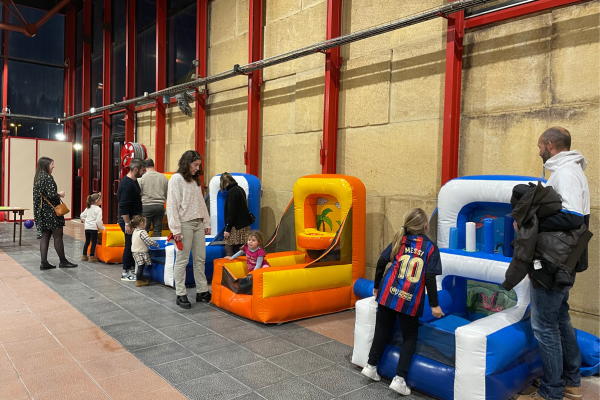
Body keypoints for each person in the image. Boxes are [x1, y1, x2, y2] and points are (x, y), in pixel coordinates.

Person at [515, 127, 590, 400]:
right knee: (560, 320)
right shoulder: (568, 170)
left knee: (544, 326)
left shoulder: (566, 173)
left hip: (553, 261)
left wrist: (528, 222)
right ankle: (571, 382)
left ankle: (550, 392)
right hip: (564, 261)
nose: (538, 151)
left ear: (550, 145)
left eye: (539, 146)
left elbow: (573, 218)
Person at [361, 208, 444, 396]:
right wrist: (434, 305)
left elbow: (382, 262)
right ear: (425, 225)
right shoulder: (430, 247)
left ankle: (370, 365)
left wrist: (376, 286)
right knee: (410, 337)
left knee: (382, 330)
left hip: (388, 293)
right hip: (409, 298)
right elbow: (430, 279)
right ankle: (399, 379)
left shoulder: (401, 239)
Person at [166, 150, 211, 309]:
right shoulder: (176, 179)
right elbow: (172, 205)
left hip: (198, 223)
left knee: (200, 258)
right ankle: (181, 293)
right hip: (184, 224)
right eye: (195, 165)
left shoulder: (195, 180)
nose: (198, 168)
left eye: (199, 165)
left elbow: (200, 203)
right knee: (183, 260)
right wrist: (175, 229)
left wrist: (206, 222)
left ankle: (202, 290)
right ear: (187, 163)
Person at [33, 157, 77, 270]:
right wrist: (60, 194)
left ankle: (43, 262)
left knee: (45, 236)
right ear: (46, 164)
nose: (53, 166)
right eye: (52, 164)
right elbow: (52, 195)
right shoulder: (48, 177)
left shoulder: (37, 177)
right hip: (52, 213)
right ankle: (63, 261)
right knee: (58, 236)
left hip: (42, 212)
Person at [117, 158, 146, 281]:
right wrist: (127, 223)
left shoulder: (133, 181)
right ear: (135, 170)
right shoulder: (127, 184)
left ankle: (131, 269)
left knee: (133, 244)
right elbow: (123, 205)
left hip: (133, 219)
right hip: (128, 221)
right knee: (129, 245)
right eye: (143, 170)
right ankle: (125, 271)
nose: (144, 173)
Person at [221, 172, 253, 257]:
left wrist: (227, 229)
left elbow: (231, 212)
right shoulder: (240, 189)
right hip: (244, 224)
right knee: (239, 246)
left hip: (236, 226)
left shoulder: (231, 192)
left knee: (228, 246)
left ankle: (229, 266)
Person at [138, 158, 168, 237]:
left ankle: (145, 249)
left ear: (144, 167)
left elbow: (139, 193)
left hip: (147, 206)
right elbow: (166, 194)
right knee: (158, 231)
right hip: (160, 207)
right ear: (153, 165)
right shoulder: (163, 177)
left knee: (144, 230)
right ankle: (158, 248)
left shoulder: (142, 179)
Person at [130, 215, 158, 288]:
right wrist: (156, 244)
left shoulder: (135, 231)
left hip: (135, 251)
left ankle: (140, 278)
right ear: (142, 223)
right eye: (145, 222)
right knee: (141, 266)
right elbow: (148, 241)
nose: (146, 223)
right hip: (141, 252)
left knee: (140, 265)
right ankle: (139, 281)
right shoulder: (142, 232)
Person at [80, 193, 105, 262]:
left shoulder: (88, 208)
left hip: (87, 227)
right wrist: (102, 227)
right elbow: (98, 220)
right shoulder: (98, 209)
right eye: (101, 200)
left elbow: (82, 216)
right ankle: (91, 256)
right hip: (93, 228)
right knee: (94, 242)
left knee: (87, 241)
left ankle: (84, 255)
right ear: (97, 201)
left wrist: (86, 222)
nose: (102, 202)